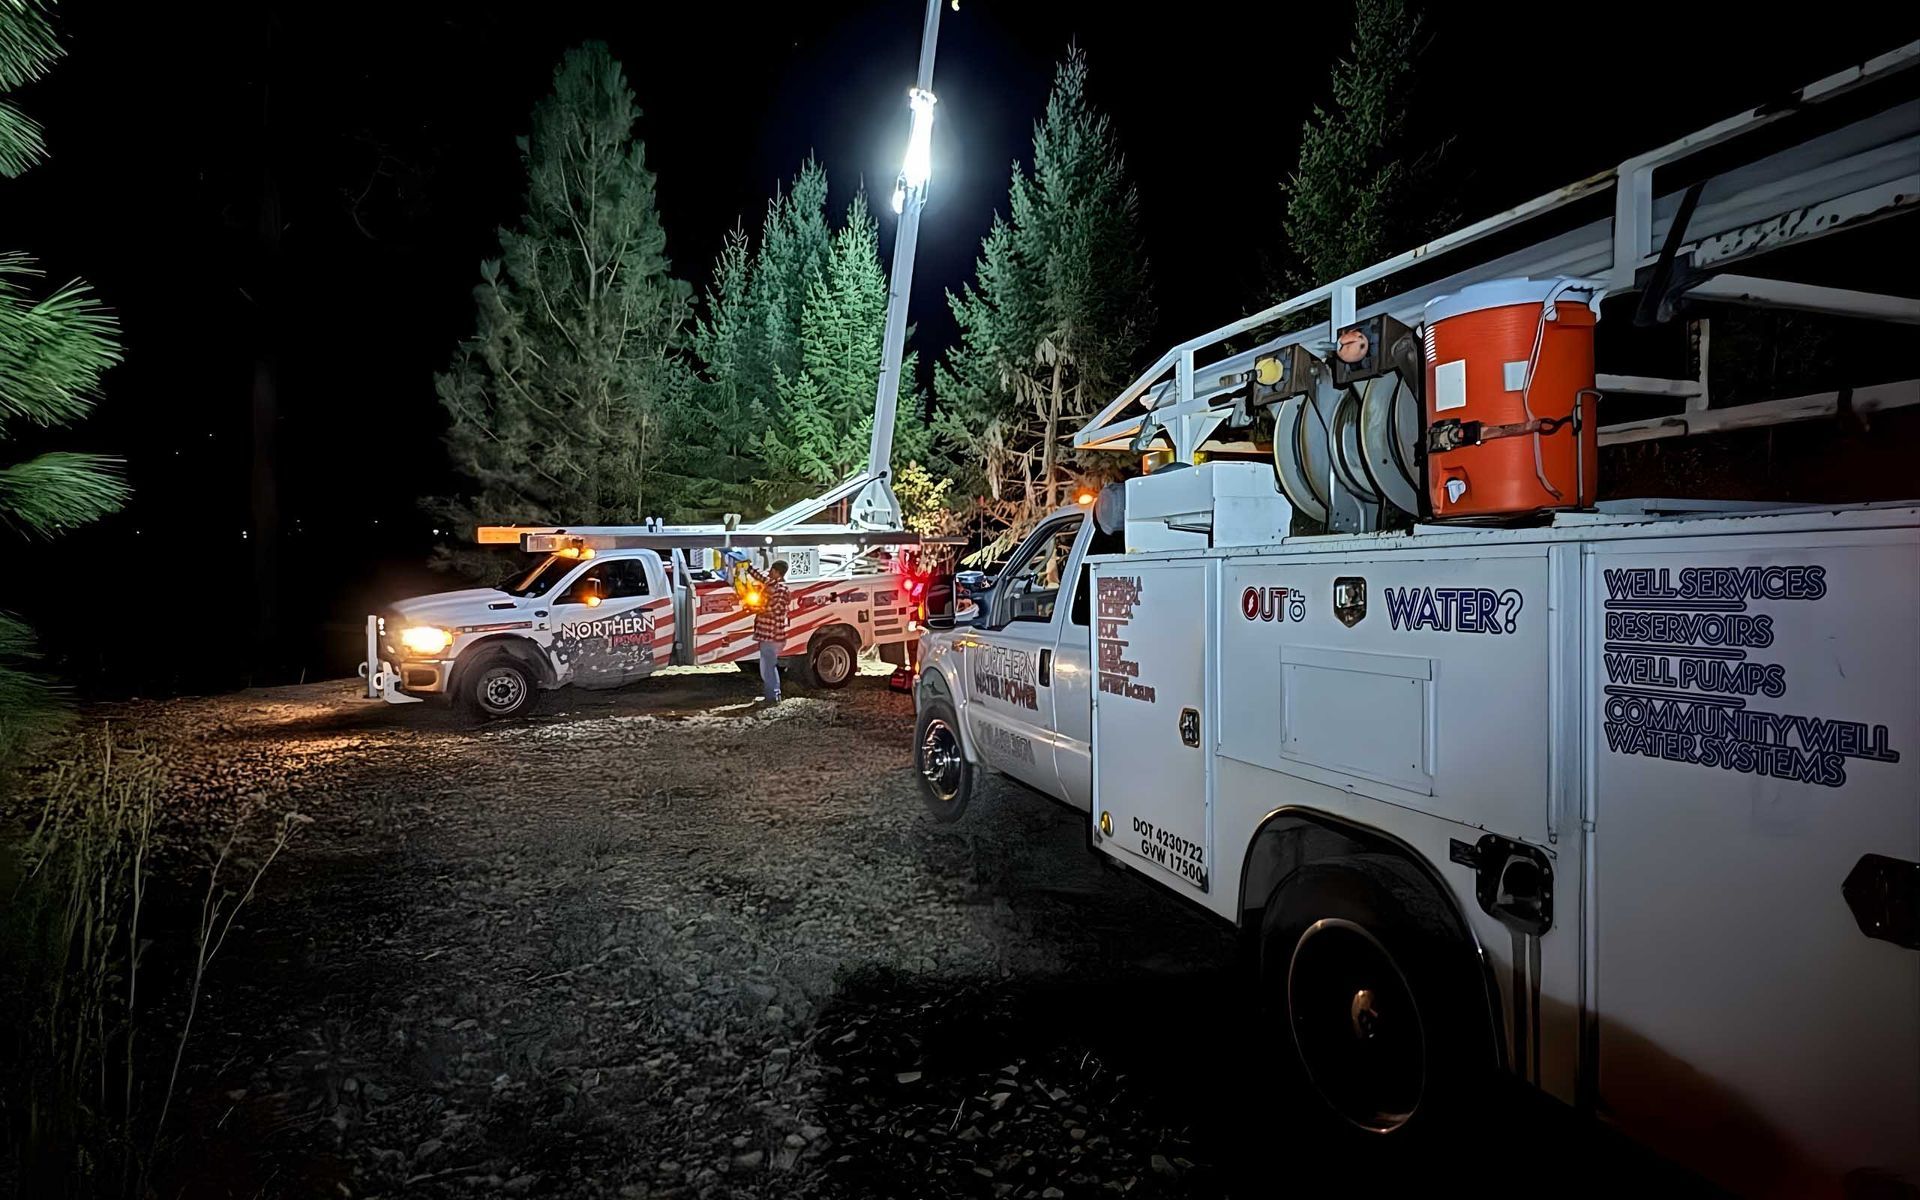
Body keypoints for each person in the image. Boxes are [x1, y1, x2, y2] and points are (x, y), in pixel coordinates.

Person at [743, 559, 791, 703]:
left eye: (772, 570)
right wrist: (746, 566)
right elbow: (759, 576)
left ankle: (773, 697)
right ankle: (771, 696)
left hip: (773, 634)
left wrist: (755, 608)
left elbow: (773, 610)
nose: (769, 572)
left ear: (778, 573)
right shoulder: (772, 583)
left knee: (768, 667)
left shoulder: (782, 590)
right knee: (766, 666)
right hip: (767, 634)